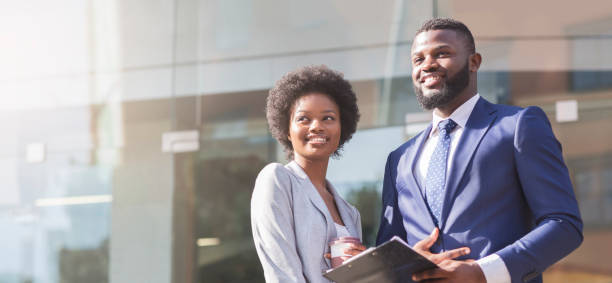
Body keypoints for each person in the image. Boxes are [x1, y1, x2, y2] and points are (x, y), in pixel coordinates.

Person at [376, 18, 583, 283]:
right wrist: (403, 265)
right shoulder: (399, 159)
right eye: (418, 59)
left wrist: (483, 272)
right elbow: (389, 250)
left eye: (441, 53)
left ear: (474, 62)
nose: (427, 64)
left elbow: (564, 224)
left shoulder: (518, 126)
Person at [251, 65, 365, 283]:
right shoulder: (276, 180)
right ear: (287, 129)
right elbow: (281, 273)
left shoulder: (351, 213)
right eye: (304, 119)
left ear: (341, 127)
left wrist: (362, 268)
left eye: (328, 118)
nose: (317, 127)